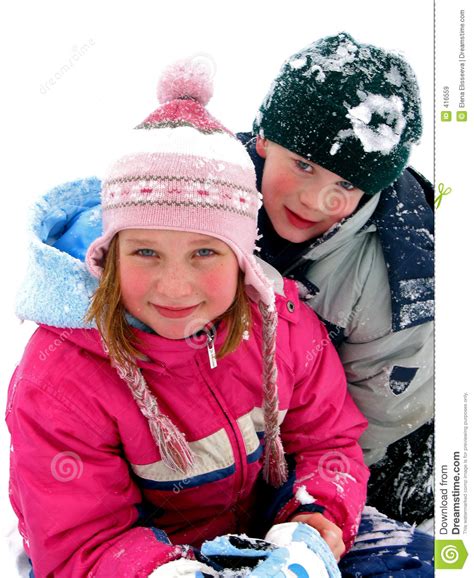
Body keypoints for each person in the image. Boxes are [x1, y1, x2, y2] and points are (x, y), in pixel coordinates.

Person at [7, 57, 370, 578]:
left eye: (205, 253)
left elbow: (328, 441)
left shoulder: (282, 324)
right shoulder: (60, 379)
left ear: (242, 259)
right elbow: (81, 542)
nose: (175, 288)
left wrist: (313, 528)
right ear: (108, 258)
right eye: (146, 253)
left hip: (266, 531)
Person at [237, 32, 434, 525]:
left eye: (346, 184)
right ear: (263, 140)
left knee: (370, 510)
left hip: (385, 411)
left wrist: (312, 490)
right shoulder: (208, 185)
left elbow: (379, 413)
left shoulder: (399, 276)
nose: (315, 200)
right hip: (259, 398)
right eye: (303, 165)